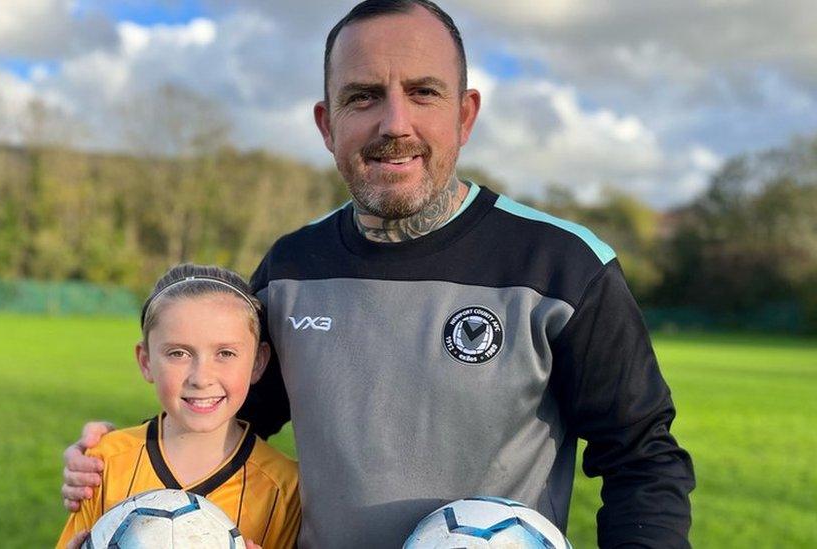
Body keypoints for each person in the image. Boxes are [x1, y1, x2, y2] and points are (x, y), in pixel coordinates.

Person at [63, 1, 695, 547]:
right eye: (362, 97)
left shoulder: (563, 266)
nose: (395, 124)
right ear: (326, 123)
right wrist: (120, 458)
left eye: (423, 92)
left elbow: (641, 457)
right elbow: (225, 417)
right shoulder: (289, 269)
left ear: (465, 115)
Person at [56, 264, 300, 549]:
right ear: (146, 361)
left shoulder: (285, 487)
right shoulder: (102, 464)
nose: (201, 378)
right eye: (178, 353)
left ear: (258, 362)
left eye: (225, 353)